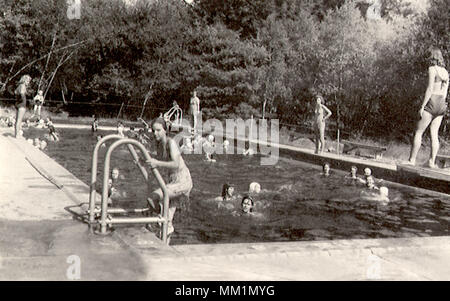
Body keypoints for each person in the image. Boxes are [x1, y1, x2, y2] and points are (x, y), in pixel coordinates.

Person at [146, 117, 193, 239]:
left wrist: (157, 163)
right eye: (153, 130)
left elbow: (176, 164)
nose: (155, 133)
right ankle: (164, 231)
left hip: (182, 181)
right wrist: (142, 161)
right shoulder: (159, 145)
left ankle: (160, 223)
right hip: (173, 182)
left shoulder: (170, 142)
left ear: (165, 130)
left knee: (153, 197)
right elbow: (159, 160)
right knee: (167, 218)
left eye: (158, 130)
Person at [408, 48, 449, 168]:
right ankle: (431, 161)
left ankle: (412, 160)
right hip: (442, 103)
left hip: (432, 101)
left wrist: (423, 106)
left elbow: (430, 88)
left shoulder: (432, 69)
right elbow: (445, 92)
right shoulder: (446, 72)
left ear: (432, 58)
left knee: (419, 131)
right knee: (434, 134)